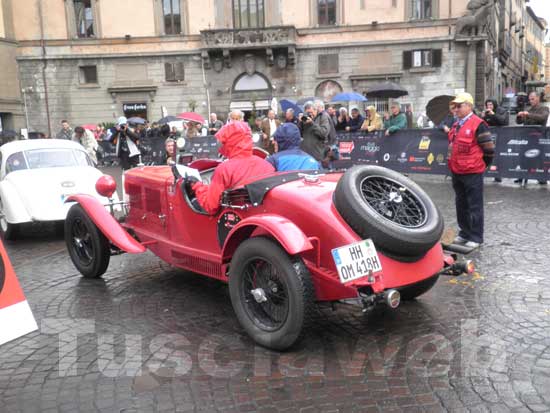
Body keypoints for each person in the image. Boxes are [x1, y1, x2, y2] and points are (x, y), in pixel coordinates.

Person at [188, 121, 275, 214]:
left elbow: (210, 206)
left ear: (227, 142)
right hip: (260, 214)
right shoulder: (266, 165)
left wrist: (197, 185)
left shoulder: (224, 170)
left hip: (235, 217)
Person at [447, 93, 494, 249]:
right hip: (457, 170)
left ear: (469, 106)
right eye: (455, 106)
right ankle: (464, 233)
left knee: (474, 205)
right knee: (461, 204)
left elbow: (488, 149)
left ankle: (476, 236)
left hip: (472, 171)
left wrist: (481, 165)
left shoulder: (478, 124)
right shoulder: (456, 124)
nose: (456, 109)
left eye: (459, 106)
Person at [515, 91, 549, 185]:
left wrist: (528, 114)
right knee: (523, 157)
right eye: (530, 99)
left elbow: (543, 117)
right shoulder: (528, 108)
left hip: (538, 138)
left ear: (538, 98)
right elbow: (519, 122)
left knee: (539, 158)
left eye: (533, 99)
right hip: (527, 137)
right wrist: (519, 117)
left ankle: (541, 178)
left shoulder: (544, 108)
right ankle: (522, 176)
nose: (531, 101)